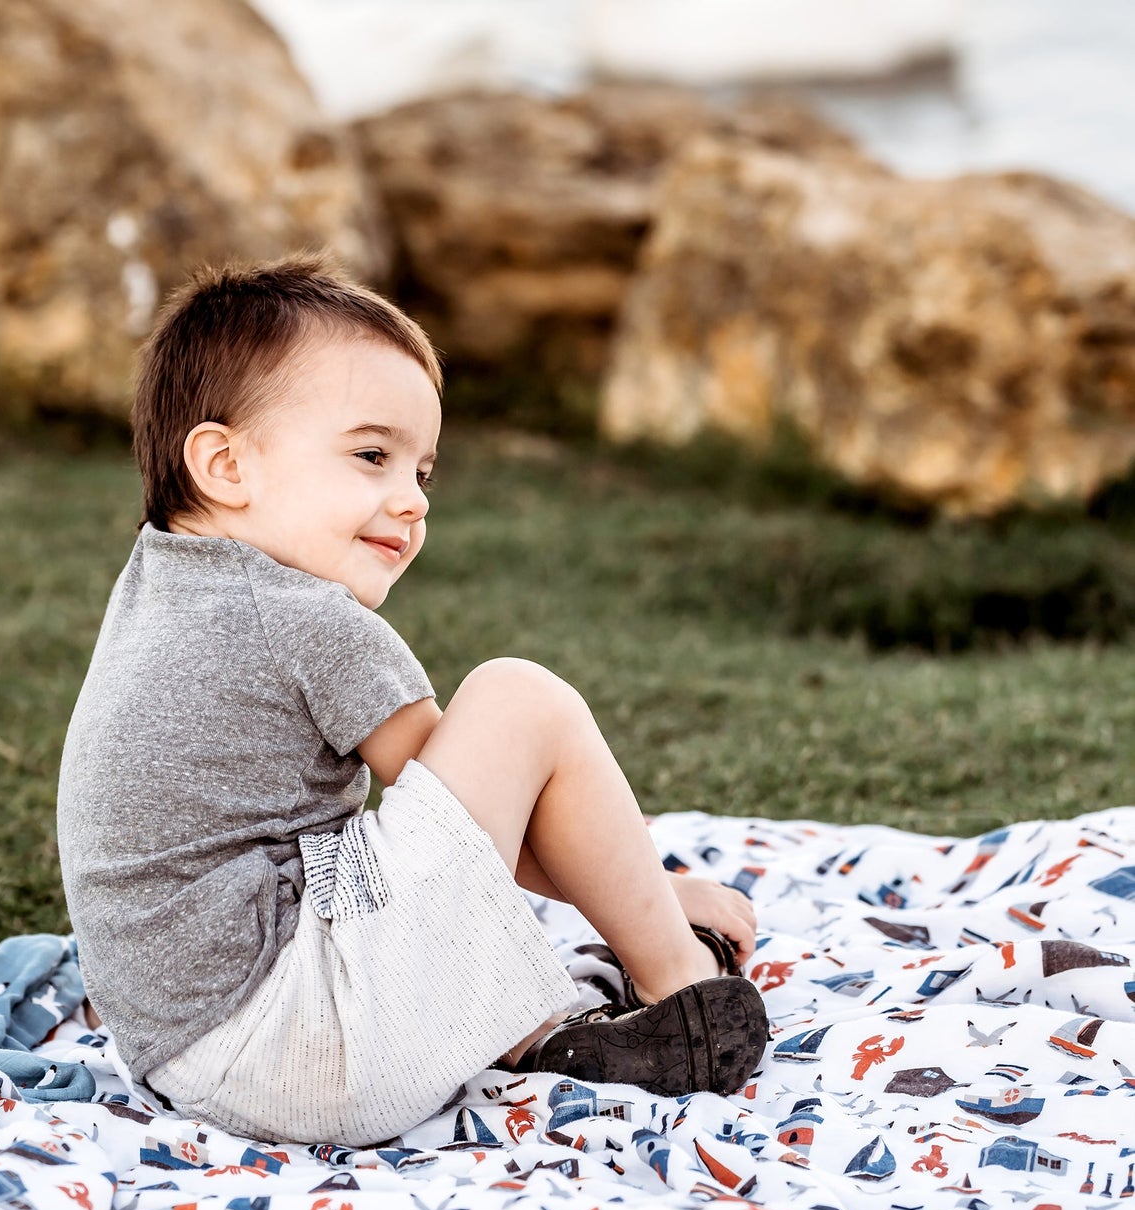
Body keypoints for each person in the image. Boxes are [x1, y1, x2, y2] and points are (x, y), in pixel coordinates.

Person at [56, 252, 768, 1147]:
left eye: (421, 473)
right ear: (225, 465)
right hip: (303, 1051)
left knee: (350, 848)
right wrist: (668, 897)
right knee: (518, 700)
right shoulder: (300, 617)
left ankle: (532, 1032)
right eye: (370, 455)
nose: (410, 500)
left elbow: (436, 841)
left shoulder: (162, 584)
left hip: (187, 1060)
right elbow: (492, 830)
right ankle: (680, 986)